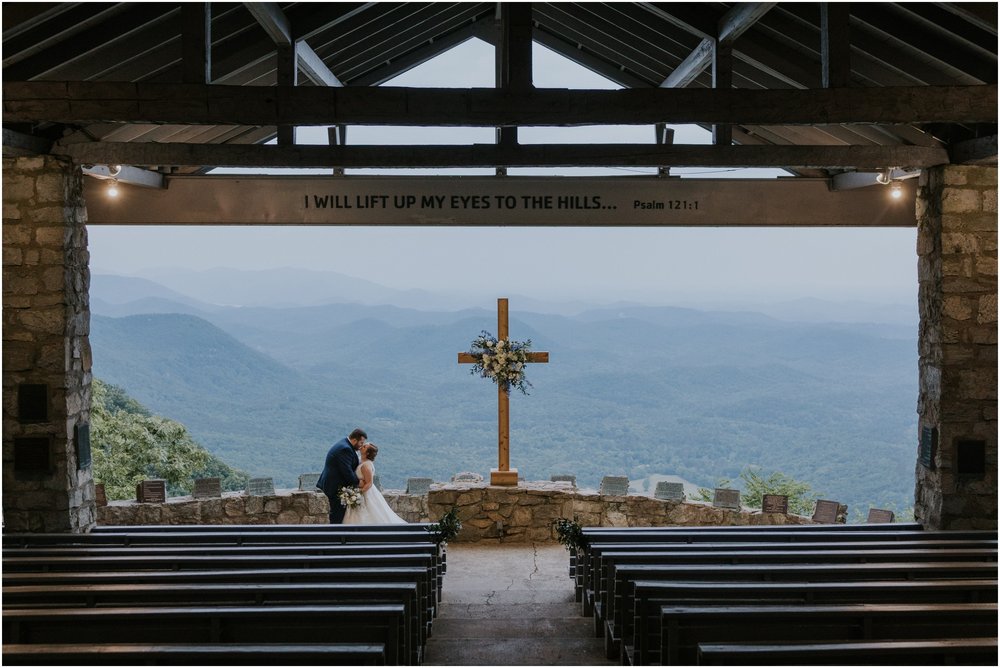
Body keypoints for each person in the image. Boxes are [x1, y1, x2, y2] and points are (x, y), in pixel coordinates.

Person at [344, 443, 406, 524]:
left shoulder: (366, 465)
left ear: (368, 453)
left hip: (365, 494)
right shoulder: (359, 459)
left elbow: (369, 483)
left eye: (365, 446)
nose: (362, 446)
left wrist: (357, 494)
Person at [317, 427, 366, 524]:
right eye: (361, 443)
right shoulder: (345, 449)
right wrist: (358, 482)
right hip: (335, 486)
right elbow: (347, 472)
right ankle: (335, 536)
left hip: (335, 484)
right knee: (337, 514)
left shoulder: (345, 444)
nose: (361, 446)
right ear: (354, 440)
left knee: (337, 513)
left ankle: (337, 535)